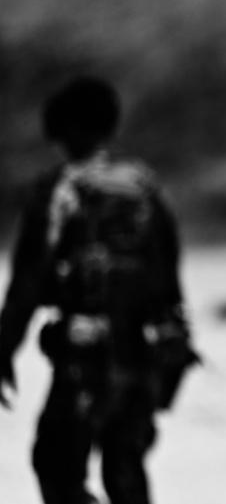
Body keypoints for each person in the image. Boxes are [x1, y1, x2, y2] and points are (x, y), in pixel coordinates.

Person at [0, 76, 199, 504]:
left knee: (56, 467)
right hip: (143, 357)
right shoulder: (145, 187)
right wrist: (176, 347)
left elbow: (28, 284)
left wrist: (2, 350)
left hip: (84, 358)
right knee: (126, 473)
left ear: (64, 129)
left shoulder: (60, 191)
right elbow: (169, 276)